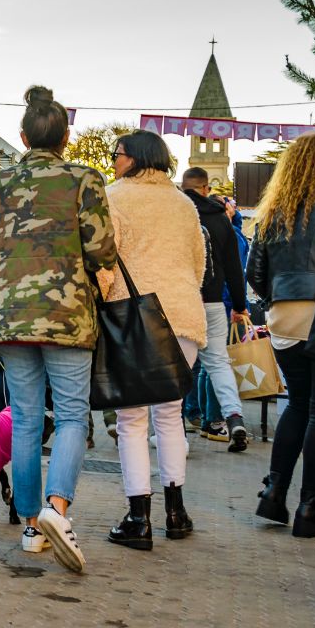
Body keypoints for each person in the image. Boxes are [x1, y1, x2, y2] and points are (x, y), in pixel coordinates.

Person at [0, 86, 116, 573]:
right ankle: (58, 509)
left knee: (26, 418)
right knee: (72, 415)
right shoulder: (84, 180)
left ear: (24, 135)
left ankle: (32, 528)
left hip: (7, 317)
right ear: (66, 137)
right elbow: (102, 251)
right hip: (66, 315)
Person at [99, 130, 206, 553]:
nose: (113, 160)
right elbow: (199, 263)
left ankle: (138, 517)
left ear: (137, 158)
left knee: (131, 420)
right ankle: (176, 513)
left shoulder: (115, 197)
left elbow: (106, 259)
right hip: (184, 317)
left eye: (118, 154)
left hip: (135, 317)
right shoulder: (185, 204)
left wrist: (103, 304)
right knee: (170, 416)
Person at [247, 132, 315, 538]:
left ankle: (274, 493)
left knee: (297, 405)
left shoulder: (275, 211)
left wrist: (278, 297)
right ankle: (311, 509)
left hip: (283, 319)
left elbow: (255, 274)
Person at [180, 167, 250, 451]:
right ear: (206, 188)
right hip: (212, 303)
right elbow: (235, 268)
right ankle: (234, 417)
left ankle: (175, 432)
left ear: (184, 187)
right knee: (218, 363)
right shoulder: (222, 220)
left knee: (179, 367)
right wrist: (240, 306)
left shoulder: (177, 214)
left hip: (181, 301)